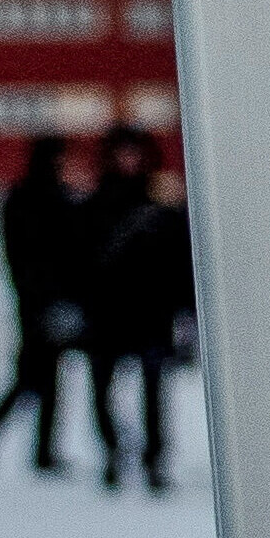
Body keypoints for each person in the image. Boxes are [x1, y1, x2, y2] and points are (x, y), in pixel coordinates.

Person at [72, 133, 192, 496]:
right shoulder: (94, 206)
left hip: (151, 311)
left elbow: (180, 263)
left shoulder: (161, 208)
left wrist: (184, 311)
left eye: (135, 153)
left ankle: (154, 460)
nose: (130, 159)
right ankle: (114, 451)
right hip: (106, 311)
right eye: (123, 153)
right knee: (102, 390)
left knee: (154, 390)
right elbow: (76, 262)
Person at [0, 132, 87, 472]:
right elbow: (38, 257)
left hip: (38, 301)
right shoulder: (39, 199)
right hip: (40, 303)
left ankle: (31, 447)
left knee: (40, 378)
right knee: (35, 378)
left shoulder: (31, 197)